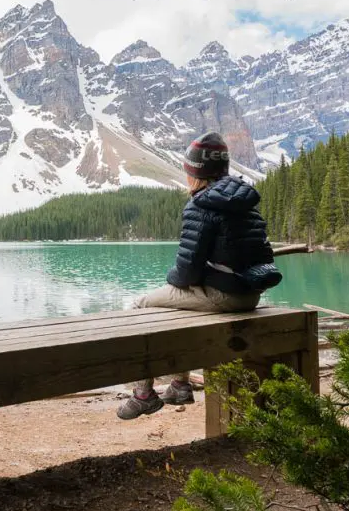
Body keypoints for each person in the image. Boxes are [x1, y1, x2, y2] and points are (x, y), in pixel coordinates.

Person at [117, 131, 281, 420]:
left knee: (139, 303)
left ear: (194, 172)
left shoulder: (201, 204)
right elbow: (261, 255)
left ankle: (143, 394)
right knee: (180, 309)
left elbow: (187, 269)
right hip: (250, 296)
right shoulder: (246, 204)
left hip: (223, 297)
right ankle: (180, 385)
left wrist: (173, 279)